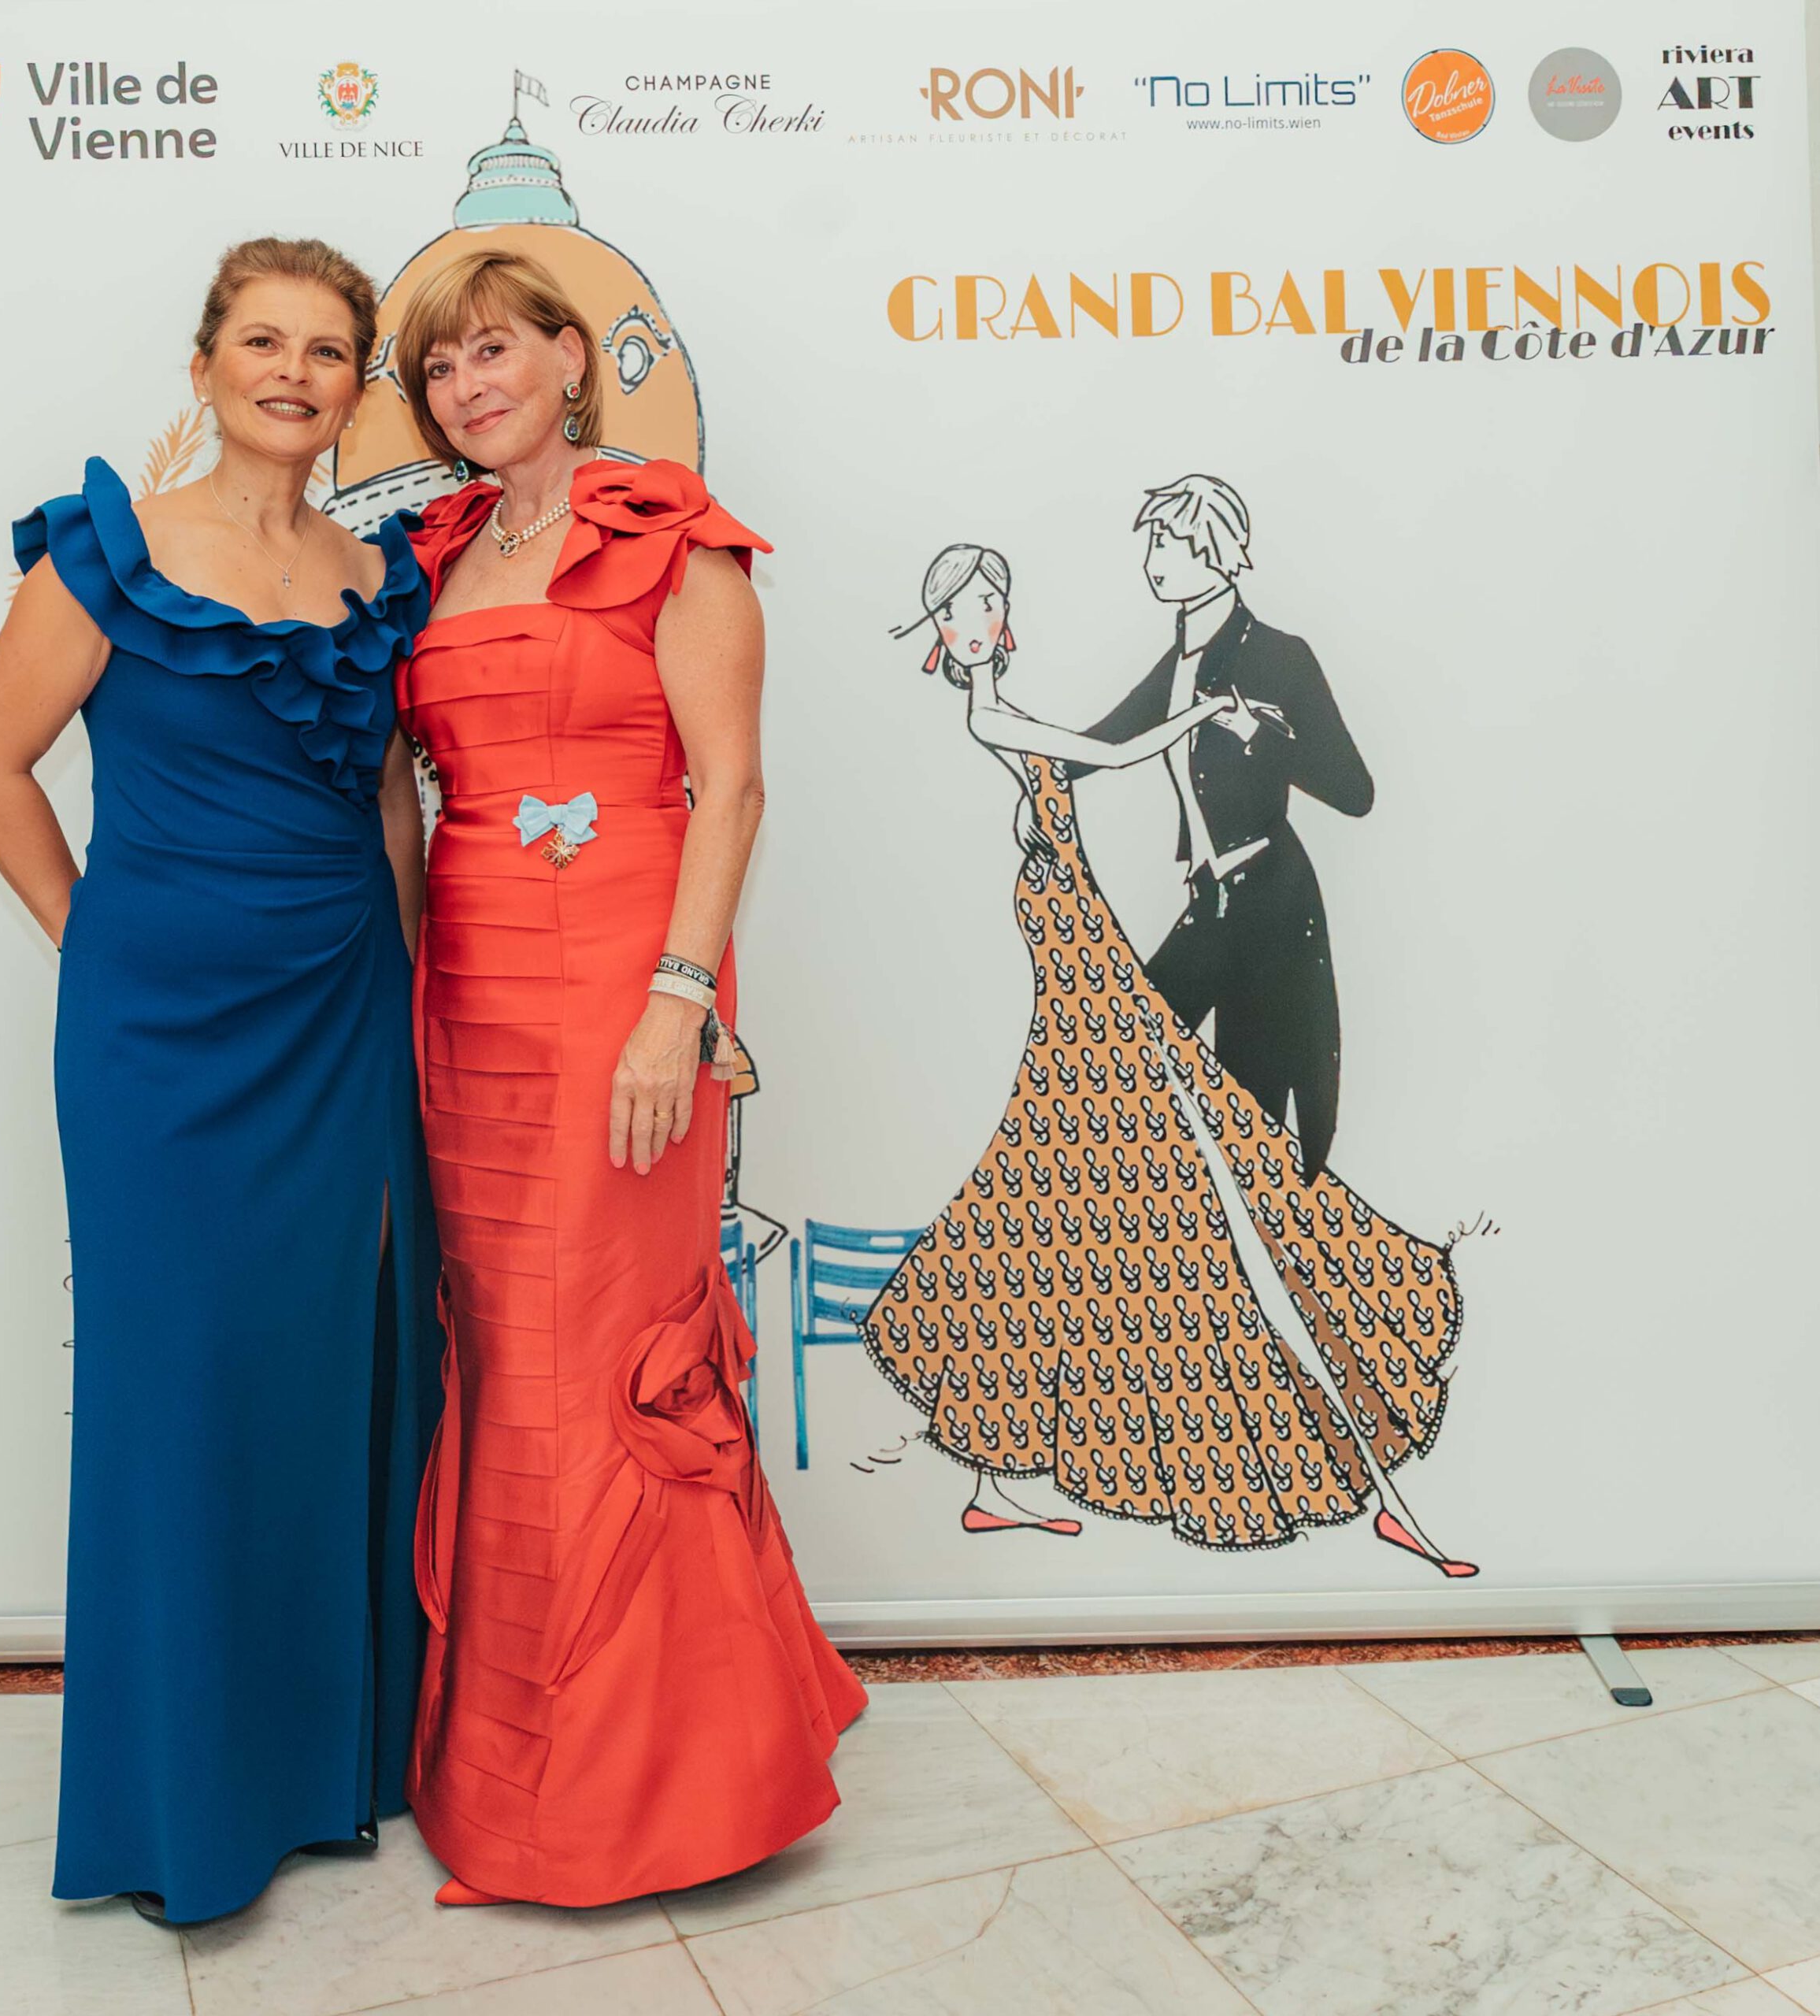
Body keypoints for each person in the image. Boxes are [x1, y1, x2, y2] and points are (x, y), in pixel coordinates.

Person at [0, 239, 444, 1925]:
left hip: (340, 1014)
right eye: (261, 341)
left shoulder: (377, 577)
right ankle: (182, 1806)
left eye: (326, 349)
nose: (292, 372)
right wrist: (91, 933)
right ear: (205, 365)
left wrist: (405, 983)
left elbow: (388, 802)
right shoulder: (111, 553)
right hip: (158, 1034)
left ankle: (320, 1762)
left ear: (358, 385)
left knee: (323, 1374)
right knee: (176, 1388)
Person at [391, 247, 865, 1907]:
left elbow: (730, 789)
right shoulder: (433, 555)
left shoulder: (674, 539)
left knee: (602, 1361)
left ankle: (653, 1787)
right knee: (501, 1358)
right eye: (439, 366)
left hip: (622, 998)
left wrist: (677, 1004)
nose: (467, 386)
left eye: (493, 350)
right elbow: (406, 792)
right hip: (469, 1009)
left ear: (571, 359)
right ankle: (504, 1773)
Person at [864, 543, 1475, 1576]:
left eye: (990, 601)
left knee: (1066, 1176)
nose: (979, 620)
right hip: (1075, 958)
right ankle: (1360, 1463)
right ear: (939, 629)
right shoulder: (989, 714)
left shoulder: (1015, 710)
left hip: (1088, 948)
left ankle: (988, 1482)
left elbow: (1097, 756)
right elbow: (1103, 756)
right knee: (1158, 1161)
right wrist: (1198, 717)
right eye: (960, 608)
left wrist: (1198, 740)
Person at [1073, 475, 1372, 1178]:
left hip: (1270, 903)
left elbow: (1355, 792)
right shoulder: (1179, 663)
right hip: (1211, 902)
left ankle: (1269, 1241)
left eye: (1172, 542)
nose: (1155, 559)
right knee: (1129, 1055)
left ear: (1216, 552)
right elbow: (1107, 742)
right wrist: (1033, 771)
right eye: (1153, 541)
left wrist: (1258, 735)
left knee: (1254, 1116)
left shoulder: (1281, 655)